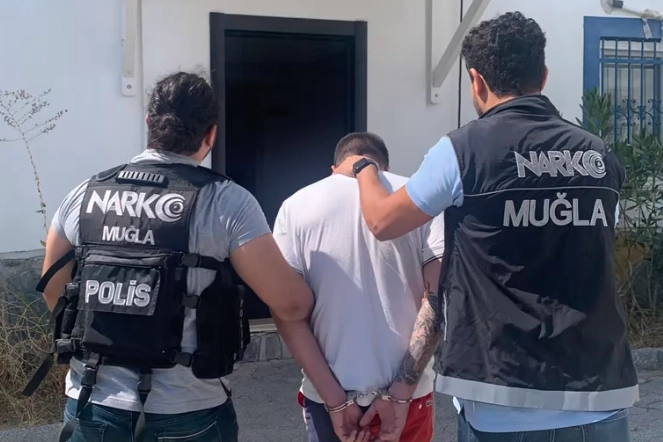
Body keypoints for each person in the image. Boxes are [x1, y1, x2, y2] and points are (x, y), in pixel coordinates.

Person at [336, 12, 639, 442]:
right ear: (543, 76)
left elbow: (383, 221)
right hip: (601, 394)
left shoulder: (464, 150)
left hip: (503, 399)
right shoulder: (600, 156)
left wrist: (365, 169)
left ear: (476, 81)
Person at [29, 72, 317, 442]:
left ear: (149, 123)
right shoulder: (227, 202)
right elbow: (291, 304)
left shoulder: (85, 193)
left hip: (92, 401)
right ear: (211, 135)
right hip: (187, 410)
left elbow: (54, 291)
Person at [272, 132, 445, 442]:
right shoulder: (421, 199)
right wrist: (400, 394)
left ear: (333, 168)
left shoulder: (295, 206)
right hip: (410, 398)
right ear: (385, 168)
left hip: (328, 399)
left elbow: (285, 311)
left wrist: (336, 401)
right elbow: (439, 297)